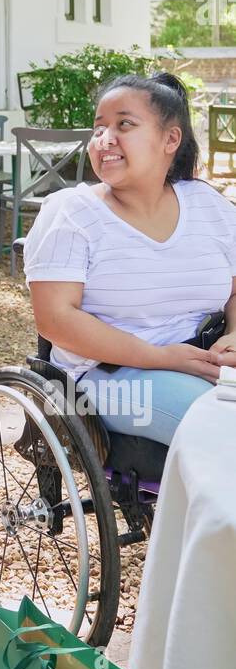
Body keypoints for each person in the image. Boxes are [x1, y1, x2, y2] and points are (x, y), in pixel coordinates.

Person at [23, 71, 236, 444]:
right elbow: (55, 319)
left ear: (170, 139)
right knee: (221, 428)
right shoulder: (71, 211)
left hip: (204, 360)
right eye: (98, 128)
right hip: (105, 378)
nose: (106, 139)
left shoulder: (208, 205)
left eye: (125, 124)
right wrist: (163, 357)